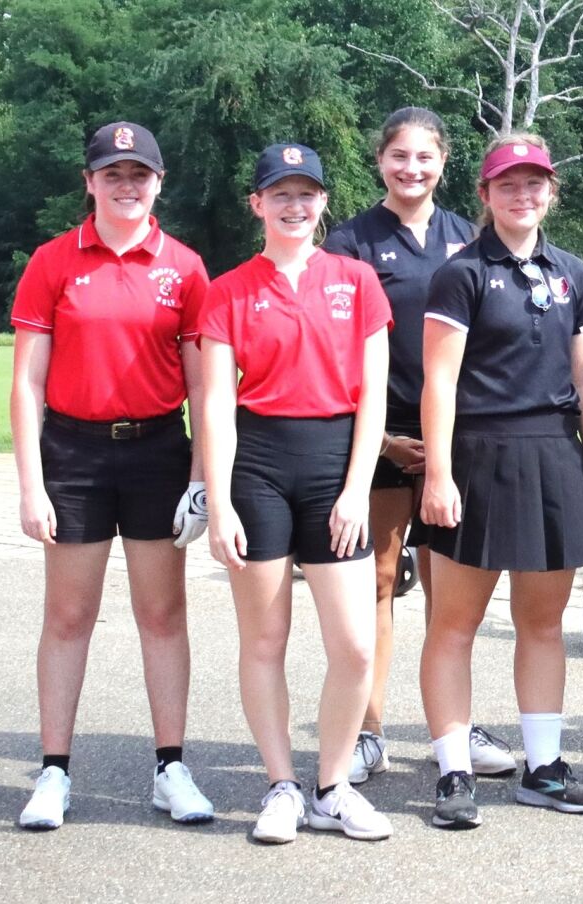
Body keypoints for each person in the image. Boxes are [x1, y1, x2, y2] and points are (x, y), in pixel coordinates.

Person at [10, 122, 215, 830]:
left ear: (159, 182)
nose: (126, 186)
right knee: (69, 616)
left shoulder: (185, 267)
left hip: (158, 449)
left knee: (161, 614)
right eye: (112, 174)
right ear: (89, 182)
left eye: (140, 174)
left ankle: (170, 767)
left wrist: (200, 479)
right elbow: (27, 382)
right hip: (74, 452)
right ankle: (54, 772)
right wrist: (31, 483)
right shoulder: (53, 261)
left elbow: (204, 387)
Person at [198, 143, 394, 844]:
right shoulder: (227, 290)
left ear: (322, 202)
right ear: (257, 204)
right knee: (265, 639)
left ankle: (332, 785)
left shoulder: (356, 279)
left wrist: (355, 488)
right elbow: (217, 404)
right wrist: (218, 502)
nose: (294, 205)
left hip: (335, 462)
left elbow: (374, 396)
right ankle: (281, 784)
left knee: (356, 647)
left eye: (306, 193)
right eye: (279, 193)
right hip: (258, 465)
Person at [418, 135, 583, 828]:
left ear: (551, 192)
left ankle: (544, 768)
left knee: (542, 623)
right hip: (477, 456)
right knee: (455, 623)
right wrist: (437, 473)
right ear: (485, 194)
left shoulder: (573, 272)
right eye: (508, 184)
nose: (522, 195)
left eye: (534, 184)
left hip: (555, 456)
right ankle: (453, 773)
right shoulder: (462, 272)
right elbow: (439, 380)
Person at [322, 107, 502, 785]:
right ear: (381, 162)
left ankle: (450, 729)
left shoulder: (468, 236)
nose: (412, 169)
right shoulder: (352, 241)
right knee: (376, 582)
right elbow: (336, 346)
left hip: (456, 435)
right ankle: (368, 729)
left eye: (425, 157)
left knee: (450, 592)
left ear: (443, 163)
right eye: (400, 156)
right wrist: (389, 440)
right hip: (383, 431)